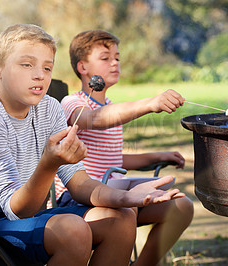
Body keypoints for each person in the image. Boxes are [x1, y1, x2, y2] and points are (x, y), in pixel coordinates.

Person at [0, 24, 185, 266]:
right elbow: (18, 210)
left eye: (47, 67)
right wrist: (49, 163)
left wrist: (128, 197)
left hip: (20, 220)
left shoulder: (49, 108)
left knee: (120, 218)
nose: (39, 75)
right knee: (73, 230)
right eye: (26, 64)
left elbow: (79, 183)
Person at [55, 29, 194, 266]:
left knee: (182, 206)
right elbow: (94, 119)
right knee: (126, 213)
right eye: (105, 58)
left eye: (117, 58)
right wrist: (150, 103)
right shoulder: (72, 103)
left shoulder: (111, 107)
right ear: (83, 68)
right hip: (76, 198)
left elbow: (113, 158)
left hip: (116, 194)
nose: (115, 63)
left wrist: (158, 156)